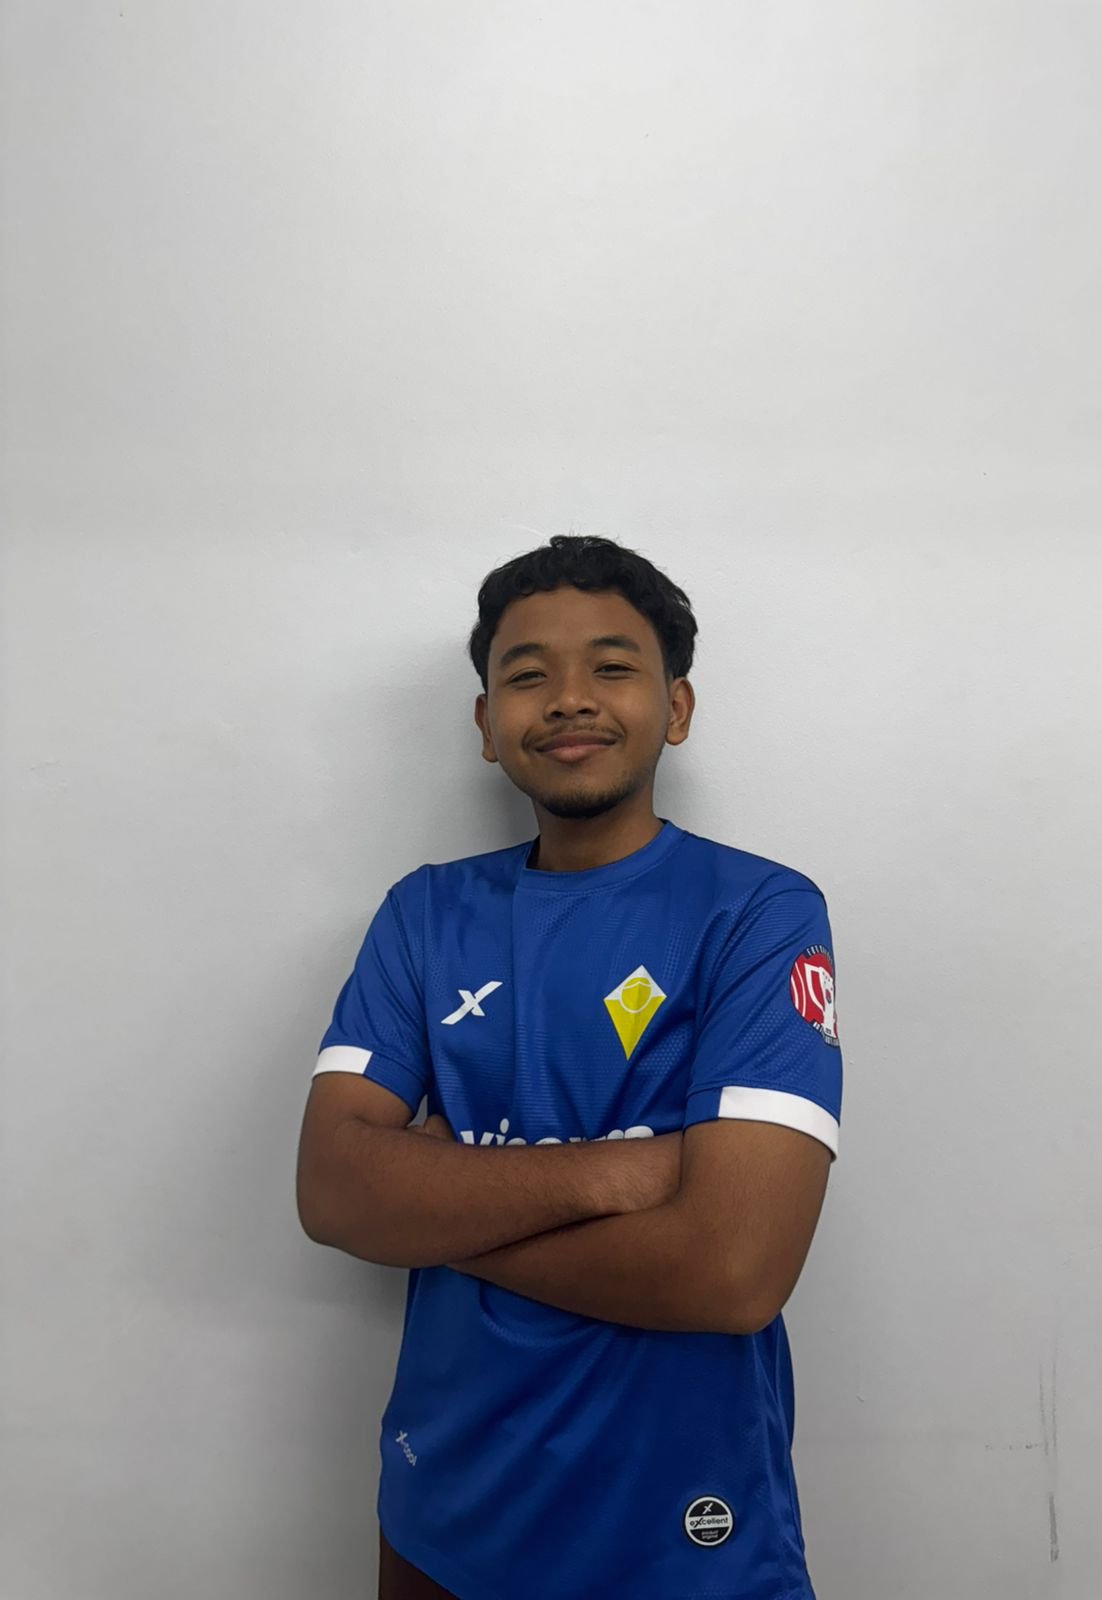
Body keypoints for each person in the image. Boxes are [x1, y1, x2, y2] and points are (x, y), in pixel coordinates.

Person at [296, 534, 844, 1600]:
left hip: (683, 1524)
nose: (569, 698)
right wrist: (631, 1173)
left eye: (612, 665)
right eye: (527, 675)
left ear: (675, 708)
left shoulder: (759, 912)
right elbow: (331, 1192)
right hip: (442, 1514)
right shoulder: (424, 912)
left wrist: (438, 1208)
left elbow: (733, 1271)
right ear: (486, 724)